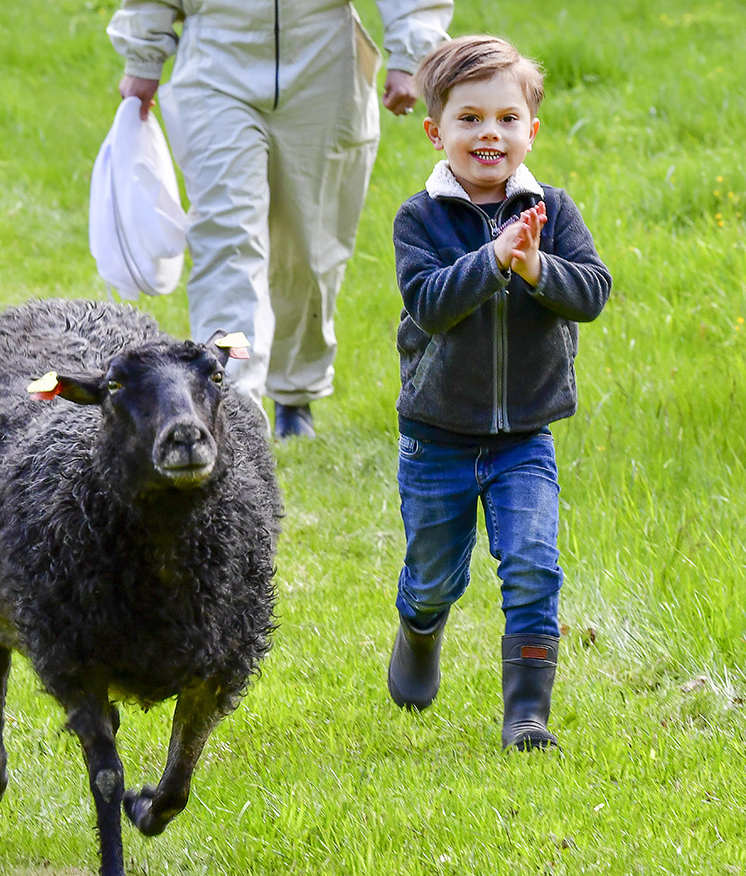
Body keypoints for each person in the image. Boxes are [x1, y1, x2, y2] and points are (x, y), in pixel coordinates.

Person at [386, 35, 611, 748]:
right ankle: (420, 628)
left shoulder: (554, 208)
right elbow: (428, 302)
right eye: (471, 119)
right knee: (432, 574)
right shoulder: (420, 219)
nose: (490, 134)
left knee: (534, 565)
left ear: (531, 130)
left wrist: (537, 266)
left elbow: (594, 291)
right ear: (436, 131)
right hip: (437, 438)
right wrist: (492, 260)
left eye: (507, 119)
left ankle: (526, 715)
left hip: (525, 438)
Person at [106, 1, 453, 438]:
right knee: (225, 237)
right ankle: (233, 406)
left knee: (310, 248)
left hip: (324, 62)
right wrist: (143, 53)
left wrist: (411, 54)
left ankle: (294, 389)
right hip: (215, 60)